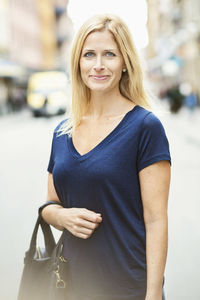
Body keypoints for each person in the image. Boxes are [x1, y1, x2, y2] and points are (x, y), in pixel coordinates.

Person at [42, 14, 171, 300]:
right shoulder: (62, 131)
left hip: (127, 286)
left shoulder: (145, 127)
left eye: (109, 54)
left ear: (125, 62)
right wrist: (62, 216)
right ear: (78, 62)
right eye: (89, 54)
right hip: (70, 284)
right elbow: (49, 205)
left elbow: (156, 221)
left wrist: (152, 295)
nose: (98, 65)